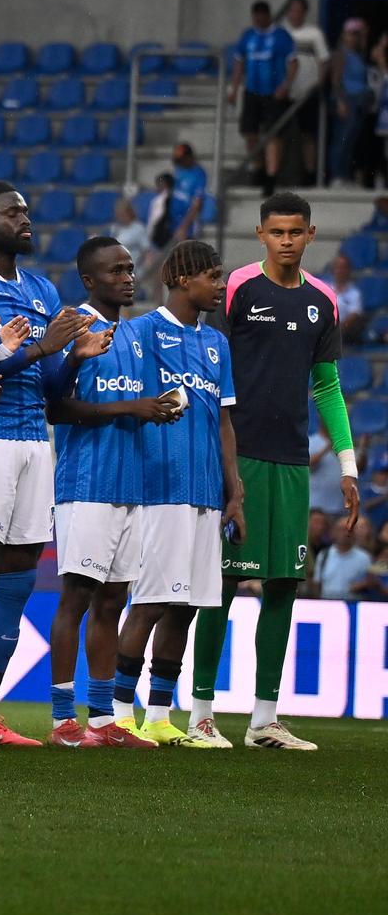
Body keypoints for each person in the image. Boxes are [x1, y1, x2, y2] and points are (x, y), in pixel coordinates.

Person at [0, 180, 104, 747]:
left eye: (27, 211)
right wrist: (37, 347)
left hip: (35, 437)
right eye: (13, 213)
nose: (25, 219)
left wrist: (71, 357)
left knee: (19, 578)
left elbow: (49, 385)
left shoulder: (39, 287)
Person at [191, 192, 357, 751]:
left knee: (284, 583)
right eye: (276, 232)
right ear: (261, 233)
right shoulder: (237, 288)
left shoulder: (323, 302)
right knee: (224, 583)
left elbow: (328, 386)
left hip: (291, 460)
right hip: (238, 455)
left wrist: (347, 462)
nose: (286, 241)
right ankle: (201, 715)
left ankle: (265, 720)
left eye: (295, 232)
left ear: (310, 236)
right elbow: (207, 357)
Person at [43, 238, 177, 749]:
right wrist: (130, 407)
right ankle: (62, 722)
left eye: (129, 267)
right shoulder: (72, 325)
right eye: (115, 270)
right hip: (88, 484)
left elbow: (131, 402)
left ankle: (104, 722)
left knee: (112, 601)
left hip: (129, 484)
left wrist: (156, 408)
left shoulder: (134, 334)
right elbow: (56, 408)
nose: (128, 276)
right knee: (76, 598)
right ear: (90, 280)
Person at [112, 241, 244, 748]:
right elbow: (121, 399)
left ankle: (160, 716)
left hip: (206, 491)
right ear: (184, 279)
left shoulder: (218, 344)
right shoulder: (141, 333)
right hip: (157, 489)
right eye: (213, 276)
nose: (220, 285)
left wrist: (235, 489)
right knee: (148, 602)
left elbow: (224, 420)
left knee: (186, 607)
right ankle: (121, 714)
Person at [230, 0, 298, 192]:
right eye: (255, 16)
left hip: (273, 93)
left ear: (268, 16)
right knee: (250, 134)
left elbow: (293, 63)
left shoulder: (281, 36)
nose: (258, 20)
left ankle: (271, 175)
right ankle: (258, 168)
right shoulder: (248, 36)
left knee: (273, 135)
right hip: (252, 92)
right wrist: (234, 89)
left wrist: (286, 86)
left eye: (262, 16)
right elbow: (238, 63)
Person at [283, 0, 331, 183]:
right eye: (292, 10)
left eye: (299, 10)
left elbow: (323, 60)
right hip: (285, 91)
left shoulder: (314, 33)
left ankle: (310, 175)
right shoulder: (281, 32)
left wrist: (318, 84)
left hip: (307, 93)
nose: (295, 14)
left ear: (304, 13)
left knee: (308, 136)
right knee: (282, 136)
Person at [329, 18, 373, 183]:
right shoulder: (341, 54)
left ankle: (345, 175)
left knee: (350, 141)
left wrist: (363, 34)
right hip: (347, 99)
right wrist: (340, 101)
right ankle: (336, 176)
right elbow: (336, 80)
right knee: (341, 139)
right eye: (351, 34)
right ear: (344, 35)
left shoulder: (358, 54)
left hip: (359, 101)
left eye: (357, 34)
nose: (354, 38)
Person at [310, 515, 372, 599]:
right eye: (341, 529)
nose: (345, 533)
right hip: (327, 603)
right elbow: (316, 583)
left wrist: (362, 584)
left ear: (354, 532)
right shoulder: (324, 555)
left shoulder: (364, 558)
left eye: (349, 529)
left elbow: (370, 581)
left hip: (352, 604)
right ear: (333, 532)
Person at [169, 144, 208, 247]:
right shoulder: (178, 169)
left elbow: (197, 203)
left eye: (181, 160)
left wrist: (184, 227)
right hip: (173, 219)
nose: (179, 163)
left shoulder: (198, 173)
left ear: (189, 157)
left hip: (188, 222)